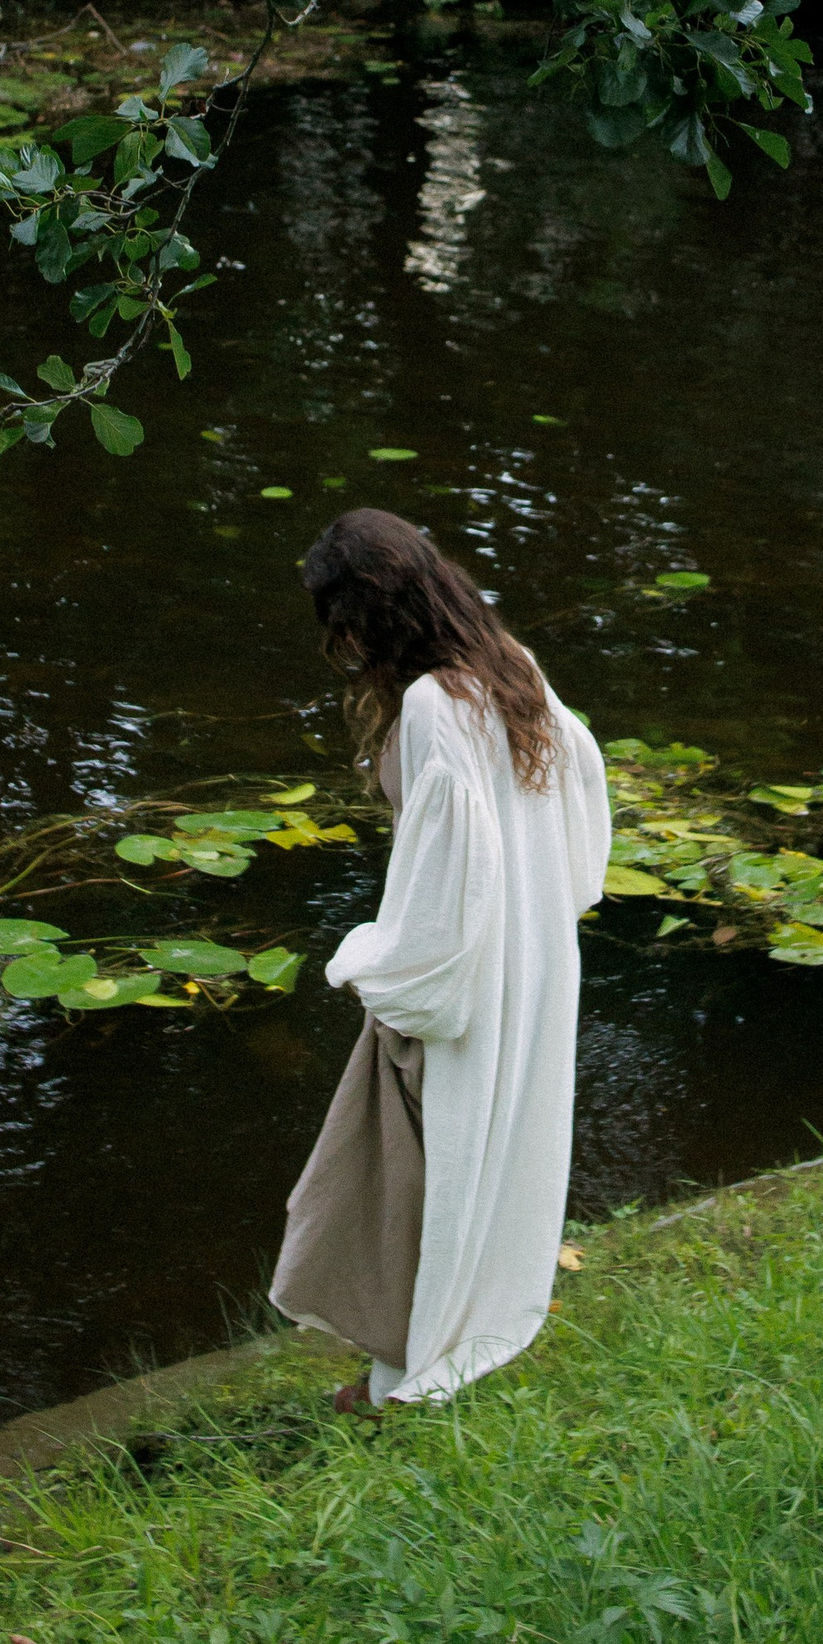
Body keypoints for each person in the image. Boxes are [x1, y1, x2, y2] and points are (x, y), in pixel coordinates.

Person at [269, 508, 611, 1409]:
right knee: (461, 1164)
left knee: (423, 1170)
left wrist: (384, 971)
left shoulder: (429, 704)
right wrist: (549, 914)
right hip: (531, 958)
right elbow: (580, 801)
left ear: (366, 616)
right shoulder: (510, 666)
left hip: (465, 971)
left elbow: (448, 871)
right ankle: (415, 1359)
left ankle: (405, 1382)